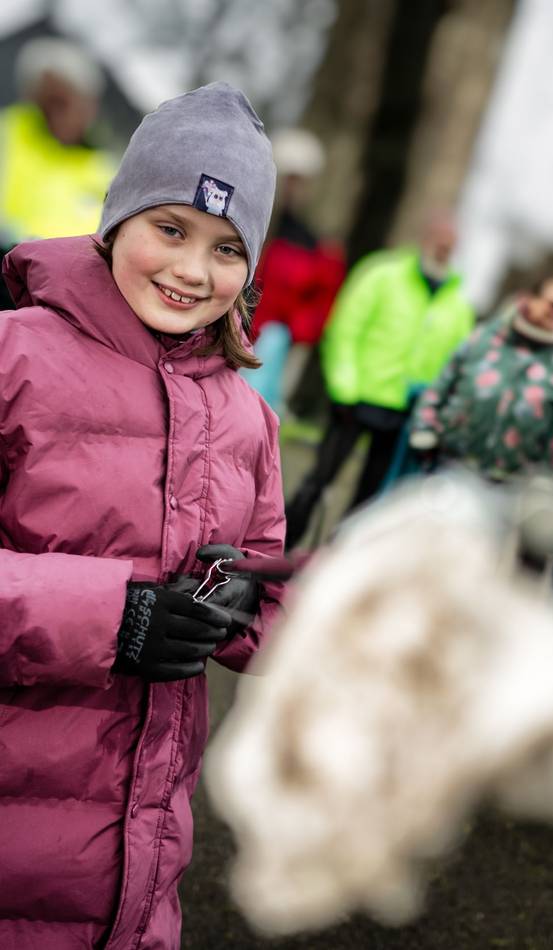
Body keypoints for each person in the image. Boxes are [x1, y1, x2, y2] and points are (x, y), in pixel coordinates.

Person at [0, 82, 286, 948]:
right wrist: (111, 616)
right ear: (117, 220)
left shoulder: (249, 418)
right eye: (171, 229)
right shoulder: (15, 357)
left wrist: (253, 604)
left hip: (140, 867)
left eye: (228, 248)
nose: (194, 271)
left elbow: (265, 592)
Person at [284, 211, 475, 547]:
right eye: (439, 241)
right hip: (356, 399)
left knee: (370, 499)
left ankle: (338, 559)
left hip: (403, 412)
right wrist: (343, 387)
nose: (443, 249)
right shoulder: (382, 273)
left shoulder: (459, 306)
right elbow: (346, 328)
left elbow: (455, 365)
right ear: (425, 238)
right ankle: (277, 547)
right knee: (319, 481)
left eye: (450, 245)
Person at [408, 276, 553, 480]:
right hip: (451, 466)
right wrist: (424, 430)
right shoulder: (483, 339)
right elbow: (440, 386)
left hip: (512, 484)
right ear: (531, 300)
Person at [244, 127, 345, 414]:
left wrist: (289, 330)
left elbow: (321, 303)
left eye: (298, 181)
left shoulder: (315, 247)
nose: (290, 188)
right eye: (286, 178)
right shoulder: (247, 224)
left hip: (267, 347)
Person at [0, 36, 116, 246]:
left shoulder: (105, 169)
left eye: (64, 102)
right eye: (48, 102)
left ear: (90, 106)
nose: (57, 115)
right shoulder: (6, 136)